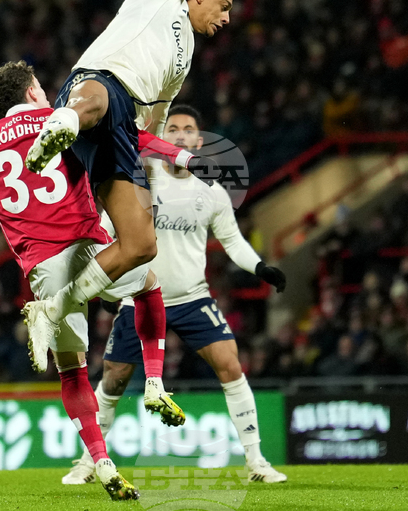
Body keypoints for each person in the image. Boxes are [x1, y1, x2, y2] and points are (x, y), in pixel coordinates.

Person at [0, 61, 196, 501]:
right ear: (32, 90)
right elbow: (133, 137)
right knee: (147, 285)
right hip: (90, 246)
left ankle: (101, 461)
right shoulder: (60, 120)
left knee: (72, 371)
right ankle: (154, 382)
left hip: (42, 267)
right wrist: (175, 152)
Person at [21, 0, 283, 368]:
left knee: (142, 244)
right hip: (98, 85)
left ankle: (52, 307)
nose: (225, 17)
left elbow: (154, 123)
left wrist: (149, 173)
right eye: (223, 6)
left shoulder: (183, 60)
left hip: (121, 131)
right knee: (99, 97)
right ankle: (60, 124)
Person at [61, 106, 288, 486]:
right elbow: (106, 226)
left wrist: (260, 268)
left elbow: (232, 242)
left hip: (192, 298)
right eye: (174, 129)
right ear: (164, 139)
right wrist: (105, 278)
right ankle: (88, 461)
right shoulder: (140, 179)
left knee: (230, 365)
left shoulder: (211, 191)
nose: (181, 136)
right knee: (114, 378)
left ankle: (256, 462)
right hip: (140, 296)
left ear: (198, 142)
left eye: (188, 131)